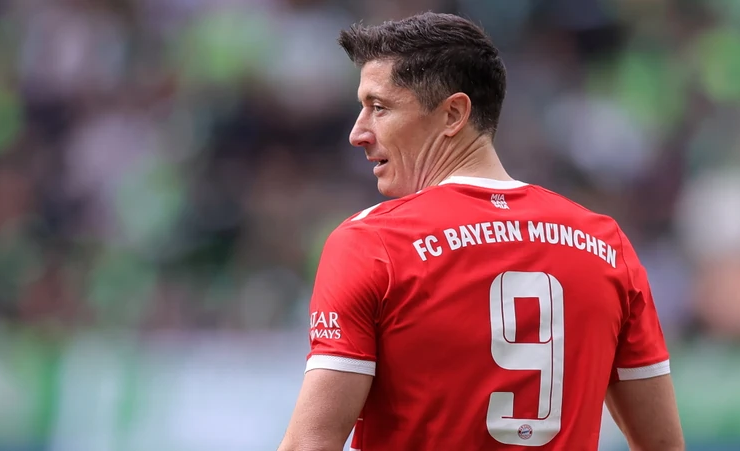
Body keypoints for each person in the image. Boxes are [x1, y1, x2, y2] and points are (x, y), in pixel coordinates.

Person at [278, 12, 684, 451]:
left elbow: (309, 445)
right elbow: (663, 445)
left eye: (379, 107)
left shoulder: (373, 244)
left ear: (454, 114)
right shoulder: (605, 244)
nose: (358, 133)